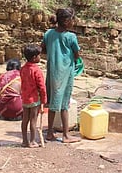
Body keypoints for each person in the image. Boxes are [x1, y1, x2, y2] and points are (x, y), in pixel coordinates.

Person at [42, 8, 81, 143]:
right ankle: (65, 135)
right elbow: (76, 55)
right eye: (72, 19)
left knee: (53, 102)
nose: (73, 22)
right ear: (66, 21)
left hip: (52, 72)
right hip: (65, 73)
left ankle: (49, 133)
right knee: (64, 104)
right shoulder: (71, 37)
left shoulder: (48, 34)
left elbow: (44, 49)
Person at [20, 44, 47, 148]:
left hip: (25, 98)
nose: (40, 57)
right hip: (34, 99)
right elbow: (42, 87)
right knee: (33, 120)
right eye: (39, 55)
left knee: (25, 119)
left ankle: (24, 141)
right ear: (34, 57)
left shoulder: (23, 69)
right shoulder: (36, 70)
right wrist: (44, 100)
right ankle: (32, 141)